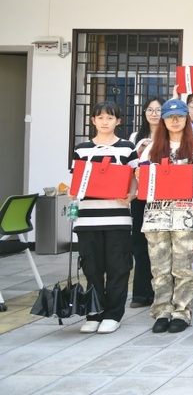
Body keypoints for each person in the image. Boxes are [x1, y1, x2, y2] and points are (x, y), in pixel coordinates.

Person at [140, 99, 193, 334]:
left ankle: (182, 311)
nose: (175, 121)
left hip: (185, 214)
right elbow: (142, 179)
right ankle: (161, 311)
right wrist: (141, 175)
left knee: (183, 266)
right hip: (156, 215)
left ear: (186, 118)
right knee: (159, 267)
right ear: (163, 120)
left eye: (179, 116)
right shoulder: (152, 147)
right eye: (170, 117)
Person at [72, 101, 139, 334]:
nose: (104, 122)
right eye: (100, 117)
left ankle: (113, 315)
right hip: (87, 219)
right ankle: (94, 313)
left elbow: (136, 178)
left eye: (110, 118)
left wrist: (132, 195)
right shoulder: (81, 149)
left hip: (118, 218)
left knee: (118, 267)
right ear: (93, 120)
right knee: (92, 268)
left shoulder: (127, 148)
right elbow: (76, 180)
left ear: (118, 121)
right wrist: (72, 192)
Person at [129, 96, 164, 309]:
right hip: (140, 195)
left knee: (160, 244)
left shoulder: (169, 136)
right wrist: (139, 151)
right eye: (150, 110)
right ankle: (141, 293)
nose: (154, 114)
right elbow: (130, 167)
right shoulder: (135, 136)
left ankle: (160, 293)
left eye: (158, 110)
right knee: (140, 243)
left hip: (162, 195)